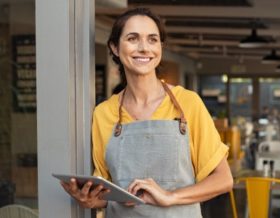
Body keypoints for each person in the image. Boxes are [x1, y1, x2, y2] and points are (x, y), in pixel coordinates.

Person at [59, 8, 233, 217]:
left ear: (160, 47)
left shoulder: (188, 103)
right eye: (133, 39)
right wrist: (91, 201)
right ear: (115, 47)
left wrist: (171, 196)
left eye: (152, 40)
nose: (144, 48)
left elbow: (223, 179)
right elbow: (107, 193)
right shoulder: (104, 113)